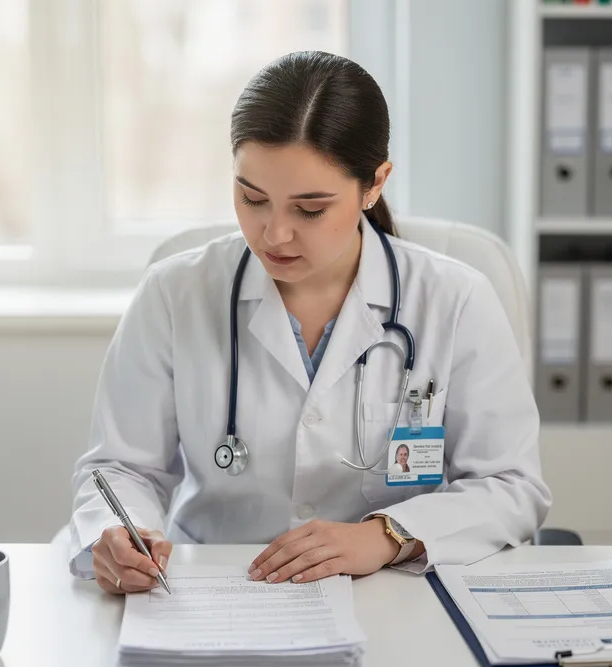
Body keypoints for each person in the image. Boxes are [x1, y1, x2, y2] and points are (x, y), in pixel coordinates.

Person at [68, 50, 550, 594]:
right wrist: (116, 533)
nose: (274, 234)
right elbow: (120, 468)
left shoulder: (455, 299)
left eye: (310, 209)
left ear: (375, 184)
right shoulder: (174, 293)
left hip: (390, 597)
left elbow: (511, 486)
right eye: (252, 198)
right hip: (212, 590)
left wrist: (388, 536)